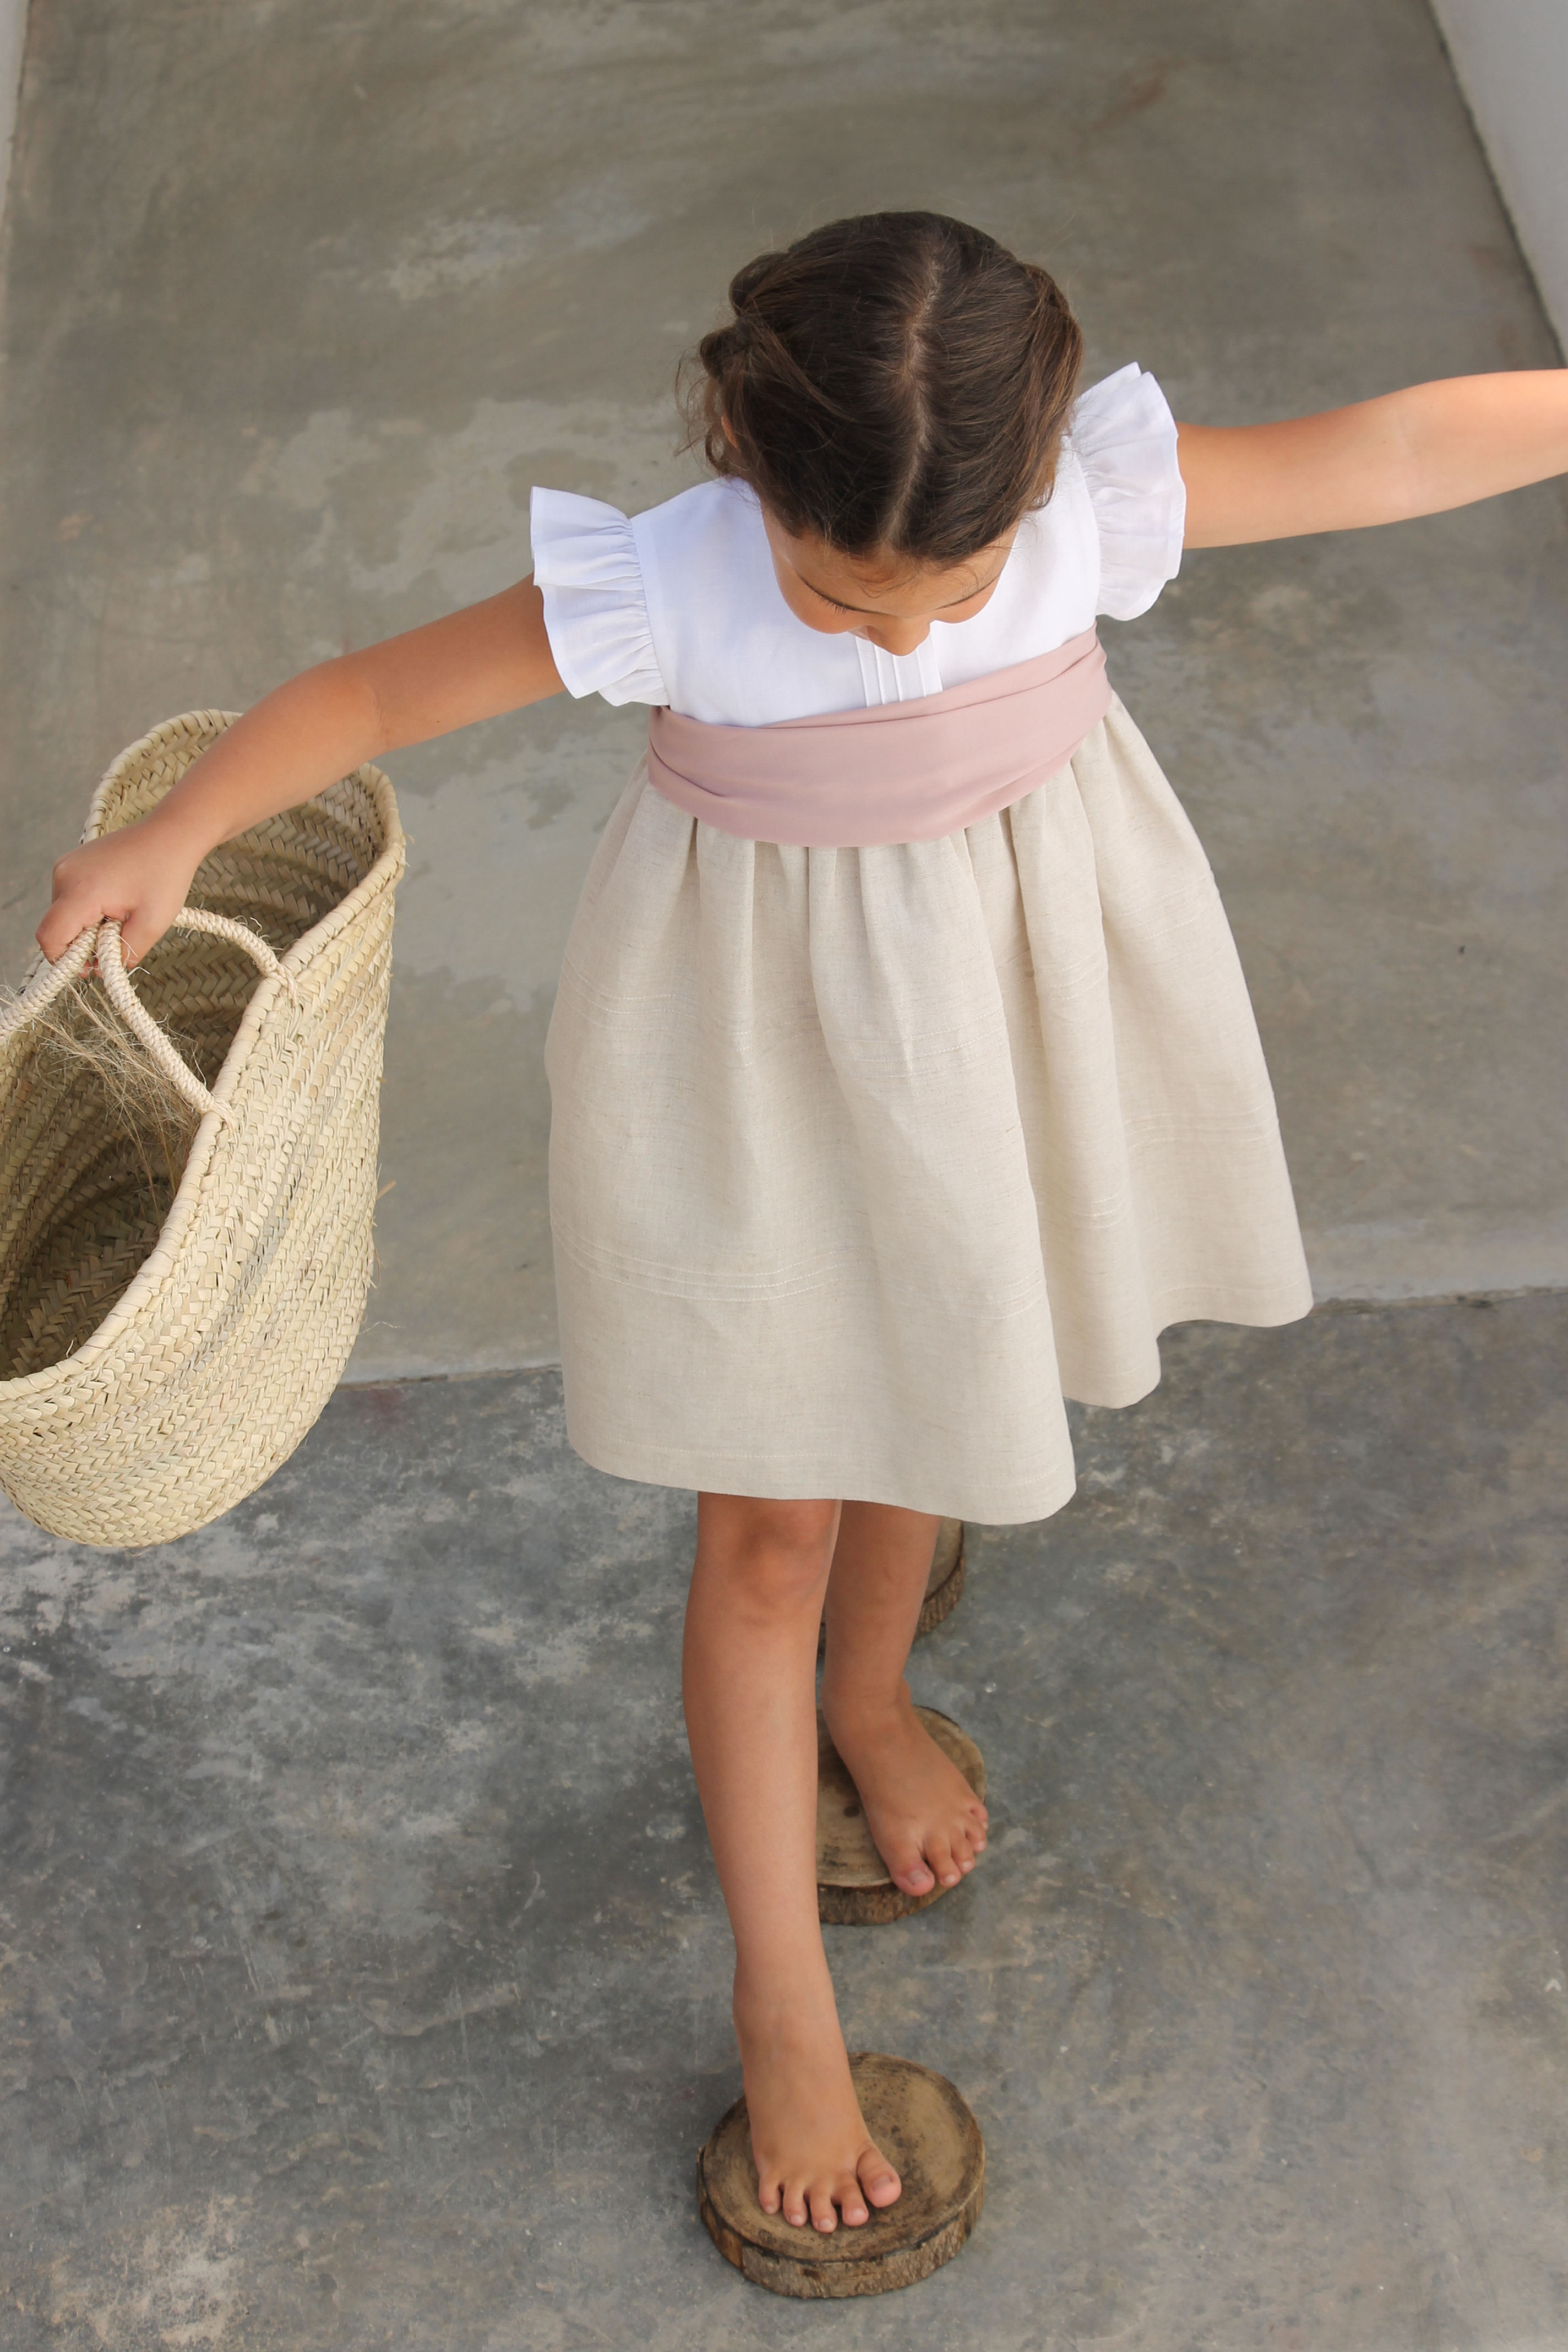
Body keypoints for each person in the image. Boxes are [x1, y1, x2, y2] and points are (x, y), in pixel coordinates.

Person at [33, 211, 1568, 2239]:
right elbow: (372, 693)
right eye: (849, 603)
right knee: (765, 1523)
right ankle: (784, 1995)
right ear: (750, 461)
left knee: (951, 1364)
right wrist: (174, 833)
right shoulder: (677, 579)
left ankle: (868, 1699)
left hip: (996, 1035)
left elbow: (1381, 450)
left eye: (956, 592)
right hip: (755, 1077)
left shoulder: (1078, 507)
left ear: (1030, 483)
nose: (909, 641)